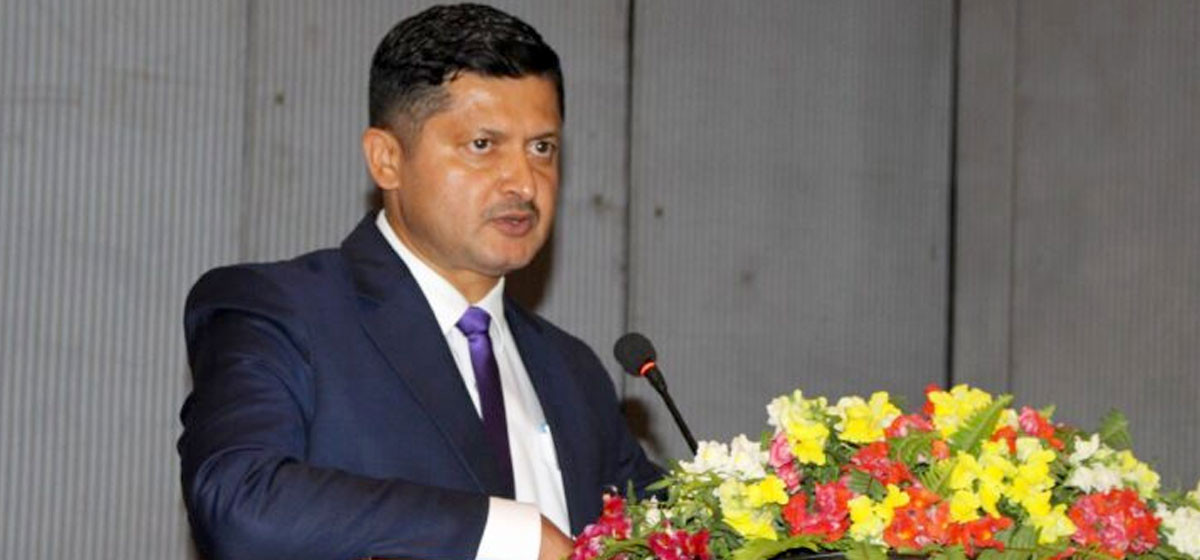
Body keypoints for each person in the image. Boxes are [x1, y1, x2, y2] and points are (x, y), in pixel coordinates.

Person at [177, 4, 661, 560]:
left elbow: (665, 533)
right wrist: (504, 533)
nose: (525, 183)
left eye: (541, 148)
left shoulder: (573, 372)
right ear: (386, 159)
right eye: (483, 145)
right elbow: (239, 501)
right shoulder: (282, 312)